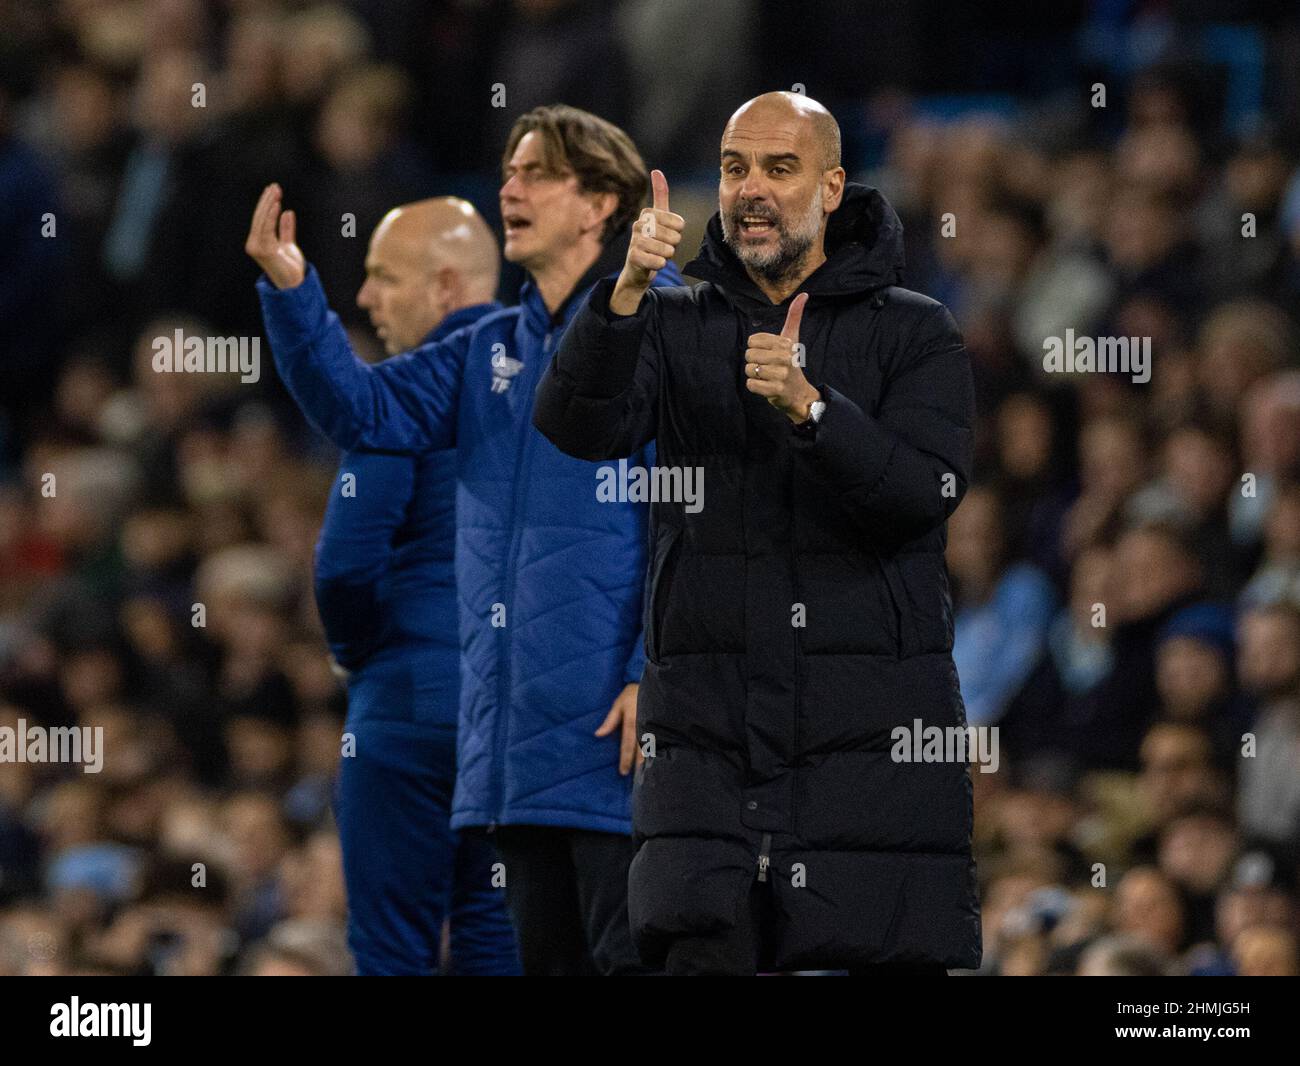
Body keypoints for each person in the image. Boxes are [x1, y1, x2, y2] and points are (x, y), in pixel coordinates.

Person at [533, 91, 981, 974]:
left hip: (870, 755)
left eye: (781, 168)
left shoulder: (917, 329)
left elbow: (925, 493)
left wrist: (813, 410)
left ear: (833, 184)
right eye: (737, 168)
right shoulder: (670, 319)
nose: (752, 190)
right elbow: (575, 426)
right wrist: (621, 293)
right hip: (707, 752)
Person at [247, 105, 682, 975]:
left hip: (619, 736)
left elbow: (701, 523)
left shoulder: (671, 333)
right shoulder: (483, 349)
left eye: (536, 174)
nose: (509, 188)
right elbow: (362, 410)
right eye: (508, 171)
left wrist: (653, 671)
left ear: (601, 204)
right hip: (510, 748)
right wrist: (296, 294)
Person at [294, 197, 519, 974]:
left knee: (394, 952)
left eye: (383, 278)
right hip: (519, 714)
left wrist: (358, 653)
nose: (364, 298)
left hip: (408, 704)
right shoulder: (553, 384)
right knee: (497, 941)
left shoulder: (402, 395)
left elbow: (345, 564)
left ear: (445, 286)